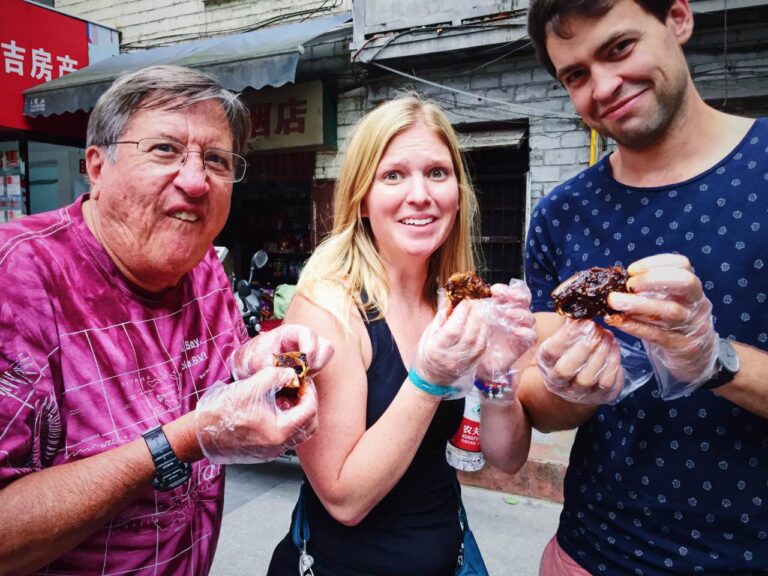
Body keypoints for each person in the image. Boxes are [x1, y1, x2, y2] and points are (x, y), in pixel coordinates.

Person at [0, 65, 332, 576]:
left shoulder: (202, 265)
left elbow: (221, 374)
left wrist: (259, 360)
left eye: (217, 160)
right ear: (97, 164)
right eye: (164, 150)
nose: (197, 182)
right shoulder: (17, 279)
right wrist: (180, 442)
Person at [484, 0, 767, 574]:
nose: (605, 86)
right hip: (591, 554)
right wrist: (572, 386)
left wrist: (714, 360)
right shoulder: (562, 213)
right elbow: (542, 403)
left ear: (678, 19)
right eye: (577, 75)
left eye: (619, 48)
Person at [266, 96, 536, 575]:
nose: (421, 195)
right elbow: (343, 497)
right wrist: (429, 378)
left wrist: (497, 379)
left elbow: (507, 458)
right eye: (393, 175)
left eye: (437, 172)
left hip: (455, 557)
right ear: (363, 198)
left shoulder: (452, 300)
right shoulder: (330, 307)